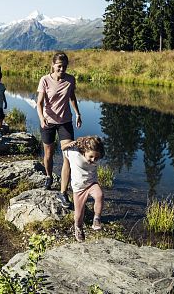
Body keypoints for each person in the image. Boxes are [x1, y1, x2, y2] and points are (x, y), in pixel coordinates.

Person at [36, 52, 82, 208]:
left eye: (64, 66)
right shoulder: (45, 80)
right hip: (48, 122)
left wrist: (77, 113)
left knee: (68, 156)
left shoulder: (70, 80)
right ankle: (49, 176)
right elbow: (39, 103)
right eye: (59, 66)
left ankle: (63, 193)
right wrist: (42, 119)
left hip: (65, 122)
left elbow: (72, 97)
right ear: (53, 65)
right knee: (48, 154)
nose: (62, 69)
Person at [62, 136, 105, 242]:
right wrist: (68, 144)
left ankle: (97, 219)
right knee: (79, 214)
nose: (93, 160)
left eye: (96, 158)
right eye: (91, 157)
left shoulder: (97, 154)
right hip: (79, 188)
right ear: (84, 151)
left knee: (100, 195)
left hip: (91, 183)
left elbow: (97, 151)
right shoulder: (74, 154)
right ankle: (78, 228)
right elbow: (62, 148)